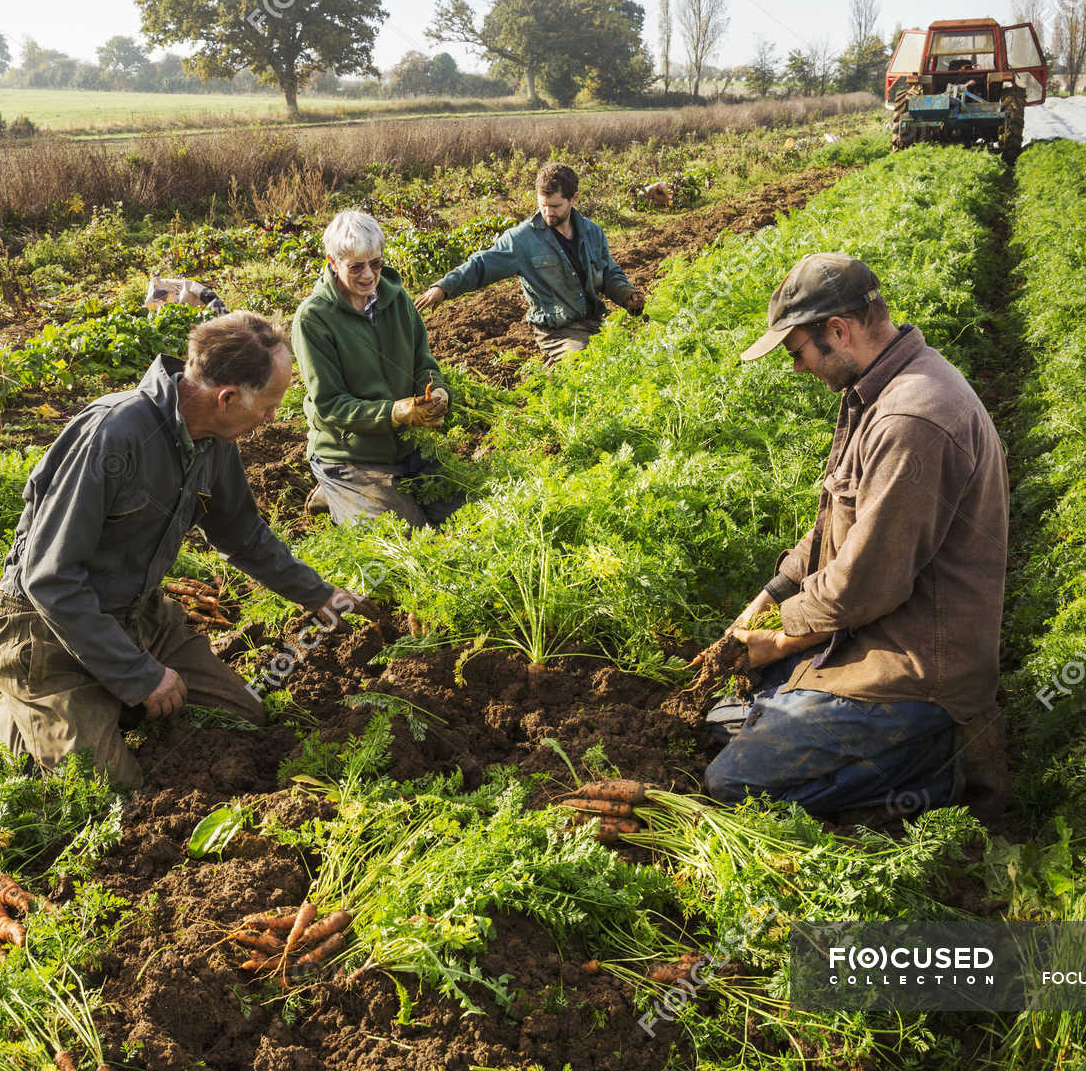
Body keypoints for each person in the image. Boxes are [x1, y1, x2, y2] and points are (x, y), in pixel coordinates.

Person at [0, 311, 359, 786]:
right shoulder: (112, 437)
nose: (271, 418)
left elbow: (243, 534)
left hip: (138, 616)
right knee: (108, 789)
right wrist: (140, 676)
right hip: (45, 628)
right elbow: (48, 579)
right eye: (268, 405)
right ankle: (5, 696)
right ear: (227, 398)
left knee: (243, 714)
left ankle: (105, 696)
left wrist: (320, 595)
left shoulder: (214, 441)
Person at [699, 253, 1011, 822]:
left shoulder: (910, 421)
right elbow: (832, 522)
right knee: (723, 722)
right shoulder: (875, 392)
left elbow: (866, 583)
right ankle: (838, 729)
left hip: (915, 668)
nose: (797, 368)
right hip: (871, 632)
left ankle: (938, 767)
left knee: (733, 785)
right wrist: (772, 595)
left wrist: (784, 637)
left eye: (797, 352)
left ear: (837, 331)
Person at [291, 210, 461, 528]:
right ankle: (335, 489)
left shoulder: (396, 300)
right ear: (332, 262)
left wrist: (437, 390)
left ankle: (352, 496)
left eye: (376, 264)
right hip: (351, 454)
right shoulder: (313, 319)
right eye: (356, 266)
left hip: (405, 444)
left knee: (463, 520)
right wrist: (395, 412)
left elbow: (423, 363)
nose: (369, 275)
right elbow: (330, 406)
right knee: (408, 538)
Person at [414, 161, 645, 364]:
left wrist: (627, 295)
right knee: (582, 362)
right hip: (557, 331)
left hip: (593, 322)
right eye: (543, 205)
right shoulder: (521, 239)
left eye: (555, 206)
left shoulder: (592, 232)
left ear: (574, 199)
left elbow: (609, 273)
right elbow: (482, 264)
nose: (547, 212)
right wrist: (444, 287)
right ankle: (555, 368)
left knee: (630, 355)